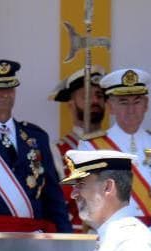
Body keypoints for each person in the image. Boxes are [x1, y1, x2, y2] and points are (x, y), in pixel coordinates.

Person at [79, 67, 151, 237]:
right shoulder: (90, 147)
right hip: (110, 240)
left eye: (137, 102)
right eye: (123, 102)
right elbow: (87, 201)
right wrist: (122, 237)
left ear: (146, 105)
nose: (131, 110)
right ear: (110, 107)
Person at [0, 59, 71, 233]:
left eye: (9, 88)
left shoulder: (35, 137)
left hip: (33, 242)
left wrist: (65, 243)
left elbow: (53, 199)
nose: (5, 94)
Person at [49, 66, 106, 231]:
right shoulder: (57, 150)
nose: (94, 101)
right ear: (71, 104)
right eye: (86, 96)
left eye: (99, 96)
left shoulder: (115, 146)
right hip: (74, 238)